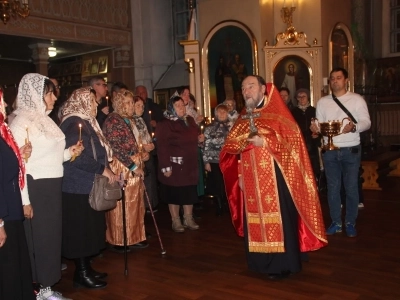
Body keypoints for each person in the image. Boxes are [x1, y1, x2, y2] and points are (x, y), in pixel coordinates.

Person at [220, 75, 327, 279]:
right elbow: (233, 147)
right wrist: (241, 173)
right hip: (251, 178)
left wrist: (267, 142)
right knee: (256, 220)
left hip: (278, 176)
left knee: (280, 219)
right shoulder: (244, 116)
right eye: (243, 88)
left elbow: (293, 144)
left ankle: (282, 264)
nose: (246, 91)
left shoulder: (278, 114)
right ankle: (259, 262)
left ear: (263, 89)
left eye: (250, 86)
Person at [10, 74, 81, 299]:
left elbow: (50, 156)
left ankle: (47, 286)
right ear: (35, 94)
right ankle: (38, 289)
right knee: (39, 239)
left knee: (50, 238)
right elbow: (19, 164)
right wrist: (25, 200)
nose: (54, 97)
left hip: (51, 186)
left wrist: (70, 153)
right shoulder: (20, 122)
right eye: (49, 92)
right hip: (35, 188)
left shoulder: (46, 119)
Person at [60, 87, 116, 289]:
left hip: (88, 185)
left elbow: (98, 151)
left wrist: (108, 170)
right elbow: (77, 157)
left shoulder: (87, 122)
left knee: (90, 229)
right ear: (82, 102)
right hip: (77, 187)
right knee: (81, 231)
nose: (96, 104)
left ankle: (87, 269)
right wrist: (102, 169)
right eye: (92, 101)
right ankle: (81, 273)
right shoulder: (73, 124)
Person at [311, 67, 371, 238]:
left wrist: (355, 127)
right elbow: (320, 124)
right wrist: (315, 128)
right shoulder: (323, 102)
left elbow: (366, 122)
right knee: (333, 188)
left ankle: (350, 222)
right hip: (329, 150)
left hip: (350, 149)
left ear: (346, 80)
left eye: (338, 78)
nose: (335, 81)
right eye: (332, 78)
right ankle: (336, 222)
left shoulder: (357, 99)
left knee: (351, 187)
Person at [102, 91, 149, 251]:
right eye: (128, 103)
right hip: (122, 166)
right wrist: (134, 167)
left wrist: (142, 153)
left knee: (136, 203)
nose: (131, 106)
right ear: (120, 104)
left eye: (131, 102)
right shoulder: (113, 120)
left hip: (133, 164)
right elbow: (116, 148)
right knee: (122, 204)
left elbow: (135, 143)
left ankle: (134, 236)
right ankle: (119, 239)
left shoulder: (129, 120)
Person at [0, 89, 35, 300]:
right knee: (8, 269)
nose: (5, 106)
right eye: (1, 102)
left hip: (11, 209)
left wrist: (19, 156)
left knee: (16, 266)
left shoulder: (3, 130)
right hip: (4, 213)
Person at [156, 95, 204, 232]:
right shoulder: (164, 123)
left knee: (189, 192)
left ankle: (188, 218)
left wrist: (199, 139)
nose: (182, 108)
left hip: (189, 165)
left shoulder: (189, 120)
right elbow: (162, 146)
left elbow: (195, 134)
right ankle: (175, 220)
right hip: (175, 165)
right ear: (171, 107)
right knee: (174, 193)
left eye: (183, 105)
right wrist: (166, 167)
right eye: (178, 106)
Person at [203, 104, 231, 215]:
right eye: (220, 112)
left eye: (224, 112)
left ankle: (227, 205)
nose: (222, 114)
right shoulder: (210, 128)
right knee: (217, 184)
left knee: (227, 184)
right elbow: (205, 146)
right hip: (214, 161)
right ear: (216, 114)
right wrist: (206, 162)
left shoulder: (232, 127)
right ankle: (219, 206)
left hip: (228, 160)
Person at [291, 88, 321, 179]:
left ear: (308, 97)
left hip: (312, 144)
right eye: (299, 97)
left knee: (313, 168)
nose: (301, 99)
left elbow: (320, 126)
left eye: (304, 96)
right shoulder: (293, 112)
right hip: (298, 144)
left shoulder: (314, 111)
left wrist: (317, 134)